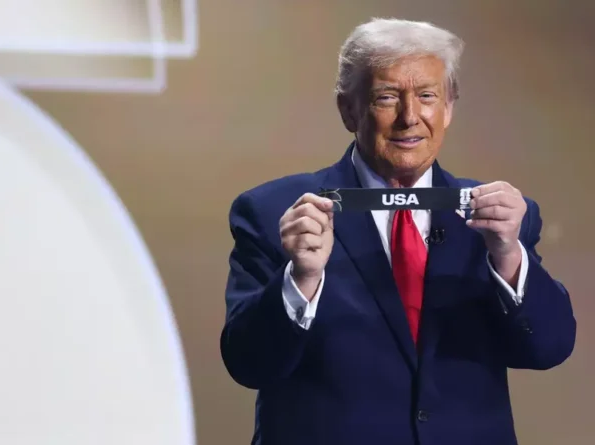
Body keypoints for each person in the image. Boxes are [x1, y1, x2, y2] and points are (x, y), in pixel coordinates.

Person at [221, 17, 576, 445]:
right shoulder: (275, 214)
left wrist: (509, 257)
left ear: (448, 107)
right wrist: (302, 279)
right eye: (387, 97)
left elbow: (549, 348)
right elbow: (248, 364)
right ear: (348, 109)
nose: (410, 117)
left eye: (427, 96)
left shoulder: (500, 221)